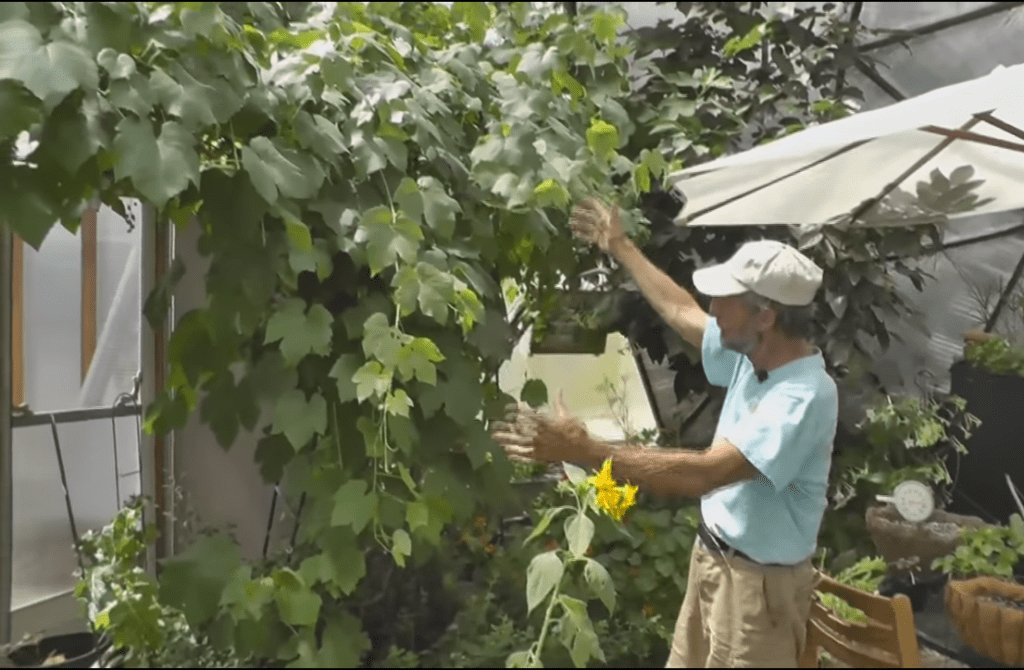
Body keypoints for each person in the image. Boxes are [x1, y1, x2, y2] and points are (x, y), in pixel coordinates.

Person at [491, 198, 838, 668]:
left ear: (766, 316)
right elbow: (681, 309)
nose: (713, 310)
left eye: (725, 301)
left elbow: (705, 474)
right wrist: (622, 245)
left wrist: (585, 450)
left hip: (758, 590)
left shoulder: (801, 397)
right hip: (714, 560)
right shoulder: (752, 353)